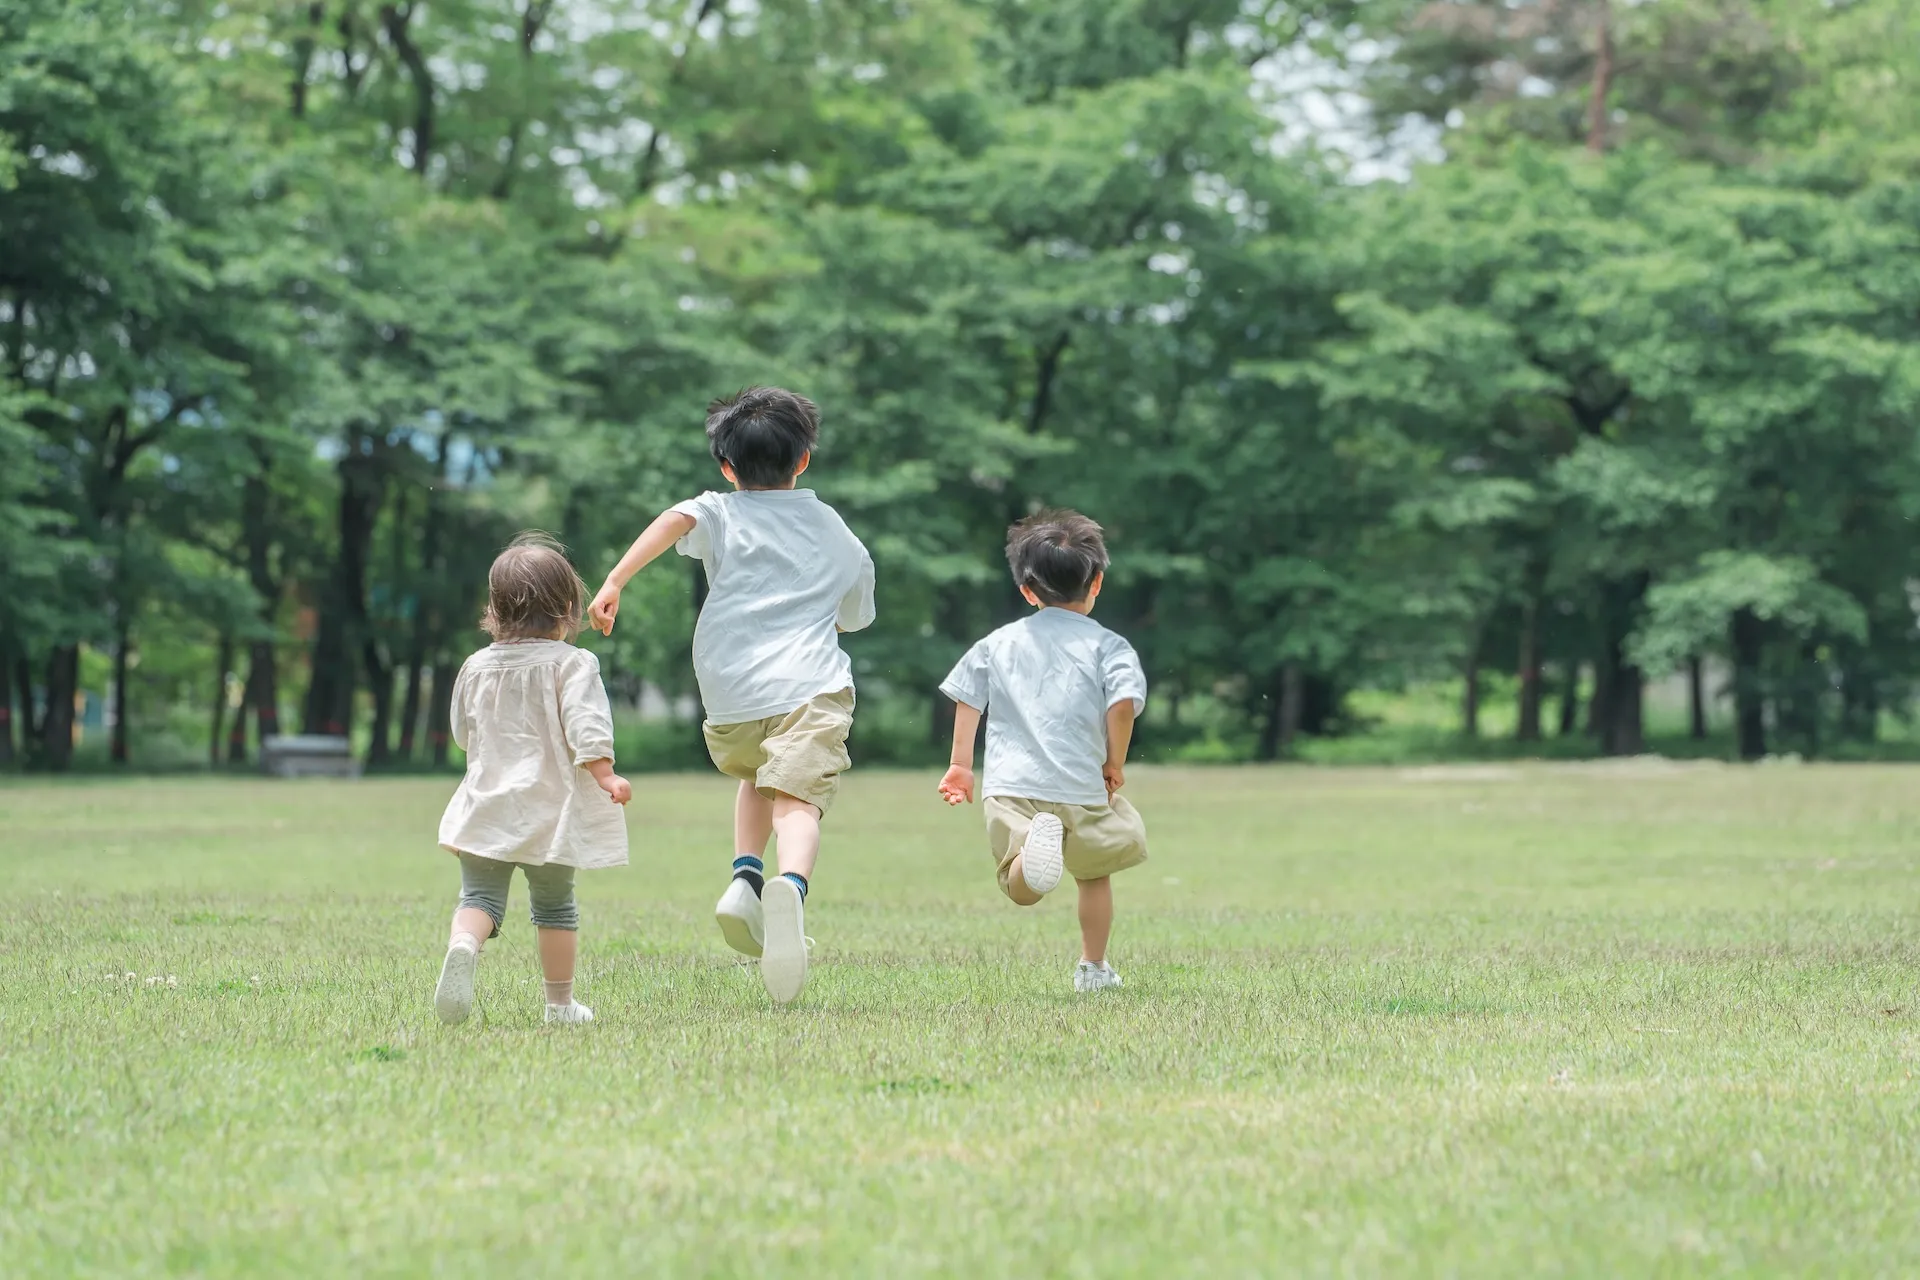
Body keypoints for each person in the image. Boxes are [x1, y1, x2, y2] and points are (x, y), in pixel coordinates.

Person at [589, 387, 875, 1005]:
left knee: (758, 776)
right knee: (798, 798)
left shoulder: (720, 512)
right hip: (810, 686)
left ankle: (746, 877)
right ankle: (790, 887)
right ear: (804, 460)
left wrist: (615, 580)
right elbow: (854, 613)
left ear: (726, 467)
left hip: (732, 692)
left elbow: (675, 519)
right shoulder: (835, 529)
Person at [937, 509, 1147, 994]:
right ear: (1096, 582)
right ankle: (1093, 968)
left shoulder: (998, 643)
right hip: (1081, 785)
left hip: (1014, 785)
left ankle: (1032, 851)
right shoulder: (1110, 647)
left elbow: (968, 698)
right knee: (1094, 877)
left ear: (1027, 590)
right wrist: (1114, 762)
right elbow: (1122, 706)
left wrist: (960, 765)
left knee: (1021, 889)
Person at [434, 533, 631, 1027]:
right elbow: (587, 726)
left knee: (478, 899)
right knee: (555, 907)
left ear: (496, 609)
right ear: (567, 607)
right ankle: (559, 1006)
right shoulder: (573, 663)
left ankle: (465, 944)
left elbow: (461, 731)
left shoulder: (475, 666)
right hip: (550, 810)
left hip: (486, 805)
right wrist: (605, 774)